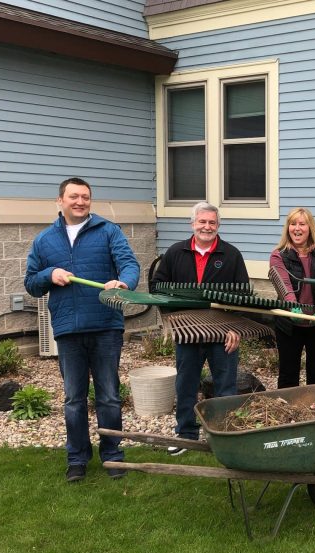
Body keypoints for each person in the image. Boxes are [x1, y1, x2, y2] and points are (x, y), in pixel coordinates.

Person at [25, 177, 140, 482]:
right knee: (74, 400)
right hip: (68, 330)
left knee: (109, 397)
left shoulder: (108, 231)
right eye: (74, 196)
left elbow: (129, 264)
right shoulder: (44, 240)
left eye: (85, 197)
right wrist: (50, 274)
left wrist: (123, 282)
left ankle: (113, 454)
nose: (80, 202)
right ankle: (77, 458)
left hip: (105, 326)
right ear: (60, 200)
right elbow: (31, 283)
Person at [151, 202, 247, 455]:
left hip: (222, 333)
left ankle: (224, 435)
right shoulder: (175, 253)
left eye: (212, 223)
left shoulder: (231, 255)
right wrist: (174, 320)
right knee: (186, 384)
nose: (207, 227)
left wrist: (235, 328)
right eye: (202, 222)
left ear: (218, 225)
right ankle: (186, 434)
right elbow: (158, 287)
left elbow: (244, 296)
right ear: (192, 223)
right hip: (189, 331)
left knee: (225, 386)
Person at [269, 207, 315, 388]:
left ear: (310, 227)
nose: (297, 228)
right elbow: (284, 285)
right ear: (288, 228)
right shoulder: (278, 255)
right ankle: (288, 412)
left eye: (302, 224)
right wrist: (293, 307)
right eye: (293, 224)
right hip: (289, 325)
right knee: (288, 375)